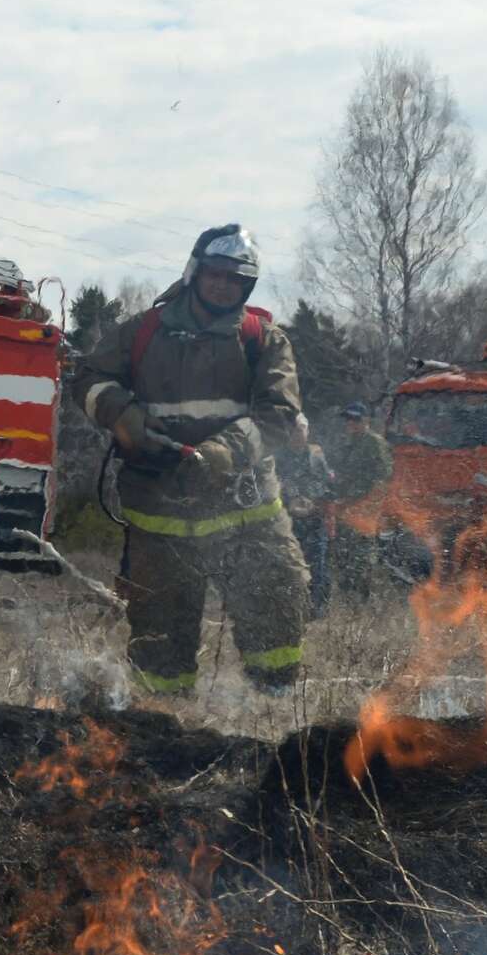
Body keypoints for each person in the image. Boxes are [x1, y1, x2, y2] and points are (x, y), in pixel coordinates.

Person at [71, 223, 310, 697]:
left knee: (275, 601)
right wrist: (123, 415)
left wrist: (222, 455)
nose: (224, 284)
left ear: (247, 286)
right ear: (195, 273)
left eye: (235, 279)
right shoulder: (141, 333)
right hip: (157, 507)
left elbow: (280, 415)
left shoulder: (263, 339)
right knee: (160, 628)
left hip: (247, 509)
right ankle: (164, 725)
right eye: (216, 274)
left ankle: (275, 709)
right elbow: (87, 379)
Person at [329, 401, 393, 597]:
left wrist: (370, 506)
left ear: (365, 420)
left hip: (364, 507)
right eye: (348, 419)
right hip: (346, 506)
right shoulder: (347, 442)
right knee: (343, 554)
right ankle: (348, 598)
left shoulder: (374, 442)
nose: (351, 423)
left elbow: (384, 476)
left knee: (363, 556)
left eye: (355, 419)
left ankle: (364, 598)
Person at [279, 413, 335, 619]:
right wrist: (286, 498)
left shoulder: (316, 455)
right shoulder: (279, 457)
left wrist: (315, 501)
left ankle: (316, 609)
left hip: (313, 520)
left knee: (316, 564)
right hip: (287, 520)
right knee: (289, 565)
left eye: (300, 429)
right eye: (293, 430)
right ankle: (290, 607)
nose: (296, 434)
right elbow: (269, 487)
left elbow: (329, 486)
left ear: (307, 431)